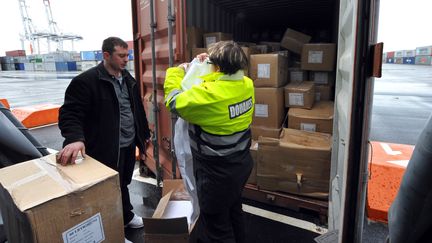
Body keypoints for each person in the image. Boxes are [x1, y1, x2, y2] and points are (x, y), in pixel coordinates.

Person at [57, 37, 150, 242]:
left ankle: (125, 217)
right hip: (103, 148)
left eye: (128, 55)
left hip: (126, 145)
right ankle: (112, 231)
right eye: (122, 56)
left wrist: (144, 136)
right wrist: (74, 138)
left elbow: (137, 111)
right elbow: (70, 113)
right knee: (105, 191)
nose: (127, 60)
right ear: (106, 55)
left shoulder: (128, 79)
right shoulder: (86, 81)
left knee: (122, 183)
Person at [164, 41, 254, 243]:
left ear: (218, 67)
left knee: (216, 227)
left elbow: (173, 100)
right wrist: (207, 64)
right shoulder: (246, 84)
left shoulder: (208, 96)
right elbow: (219, 82)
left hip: (216, 174)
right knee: (234, 211)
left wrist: (176, 71)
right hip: (240, 165)